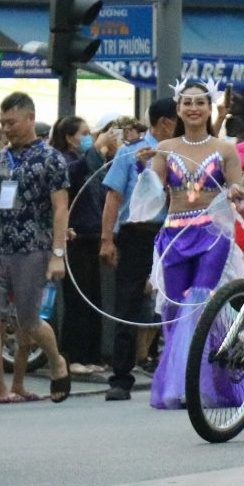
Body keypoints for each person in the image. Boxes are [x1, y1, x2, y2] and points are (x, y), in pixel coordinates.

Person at [135, 81, 244, 410]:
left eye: (200, 102)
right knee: (173, 309)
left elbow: (237, 183)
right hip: (174, 235)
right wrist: (144, 167)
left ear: (210, 107)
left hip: (213, 233)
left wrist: (237, 192)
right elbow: (154, 194)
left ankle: (204, 385)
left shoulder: (226, 149)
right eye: (187, 103)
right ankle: (179, 383)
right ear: (179, 108)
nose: (194, 108)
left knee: (201, 303)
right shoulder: (165, 147)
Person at [0, 92, 73, 407]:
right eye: (2, 123)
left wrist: (57, 255)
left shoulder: (51, 159)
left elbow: (60, 209)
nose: (5, 128)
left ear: (30, 118)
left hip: (33, 248)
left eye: (11, 122)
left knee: (28, 321)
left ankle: (56, 361)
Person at [98, 101, 177, 401]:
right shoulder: (130, 153)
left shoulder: (180, 153)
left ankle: (173, 369)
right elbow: (114, 196)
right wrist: (108, 239)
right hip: (136, 234)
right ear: (166, 123)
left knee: (174, 300)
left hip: (172, 231)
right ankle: (120, 376)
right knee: (128, 303)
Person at [51, 115, 106, 374]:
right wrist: (95, 149)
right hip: (75, 236)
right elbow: (73, 175)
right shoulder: (64, 161)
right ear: (69, 136)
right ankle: (73, 355)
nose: (87, 136)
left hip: (92, 234)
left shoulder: (85, 161)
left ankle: (92, 354)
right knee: (77, 300)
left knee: (94, 297)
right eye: (83, 132)